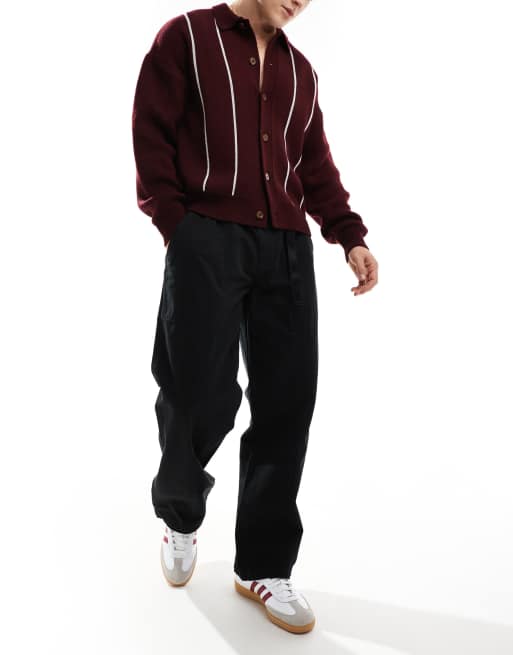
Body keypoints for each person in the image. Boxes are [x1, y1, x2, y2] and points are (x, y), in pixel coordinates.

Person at [131, 0, 378, 634]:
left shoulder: (302, 72)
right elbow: (151, 132)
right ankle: (180, 517)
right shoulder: (188, 37)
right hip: (207, 237)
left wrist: (348, 235)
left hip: (287, 247)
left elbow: (314, 164)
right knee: (197, 392)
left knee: (288, 403)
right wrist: (178, 227)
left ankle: (263, 567)